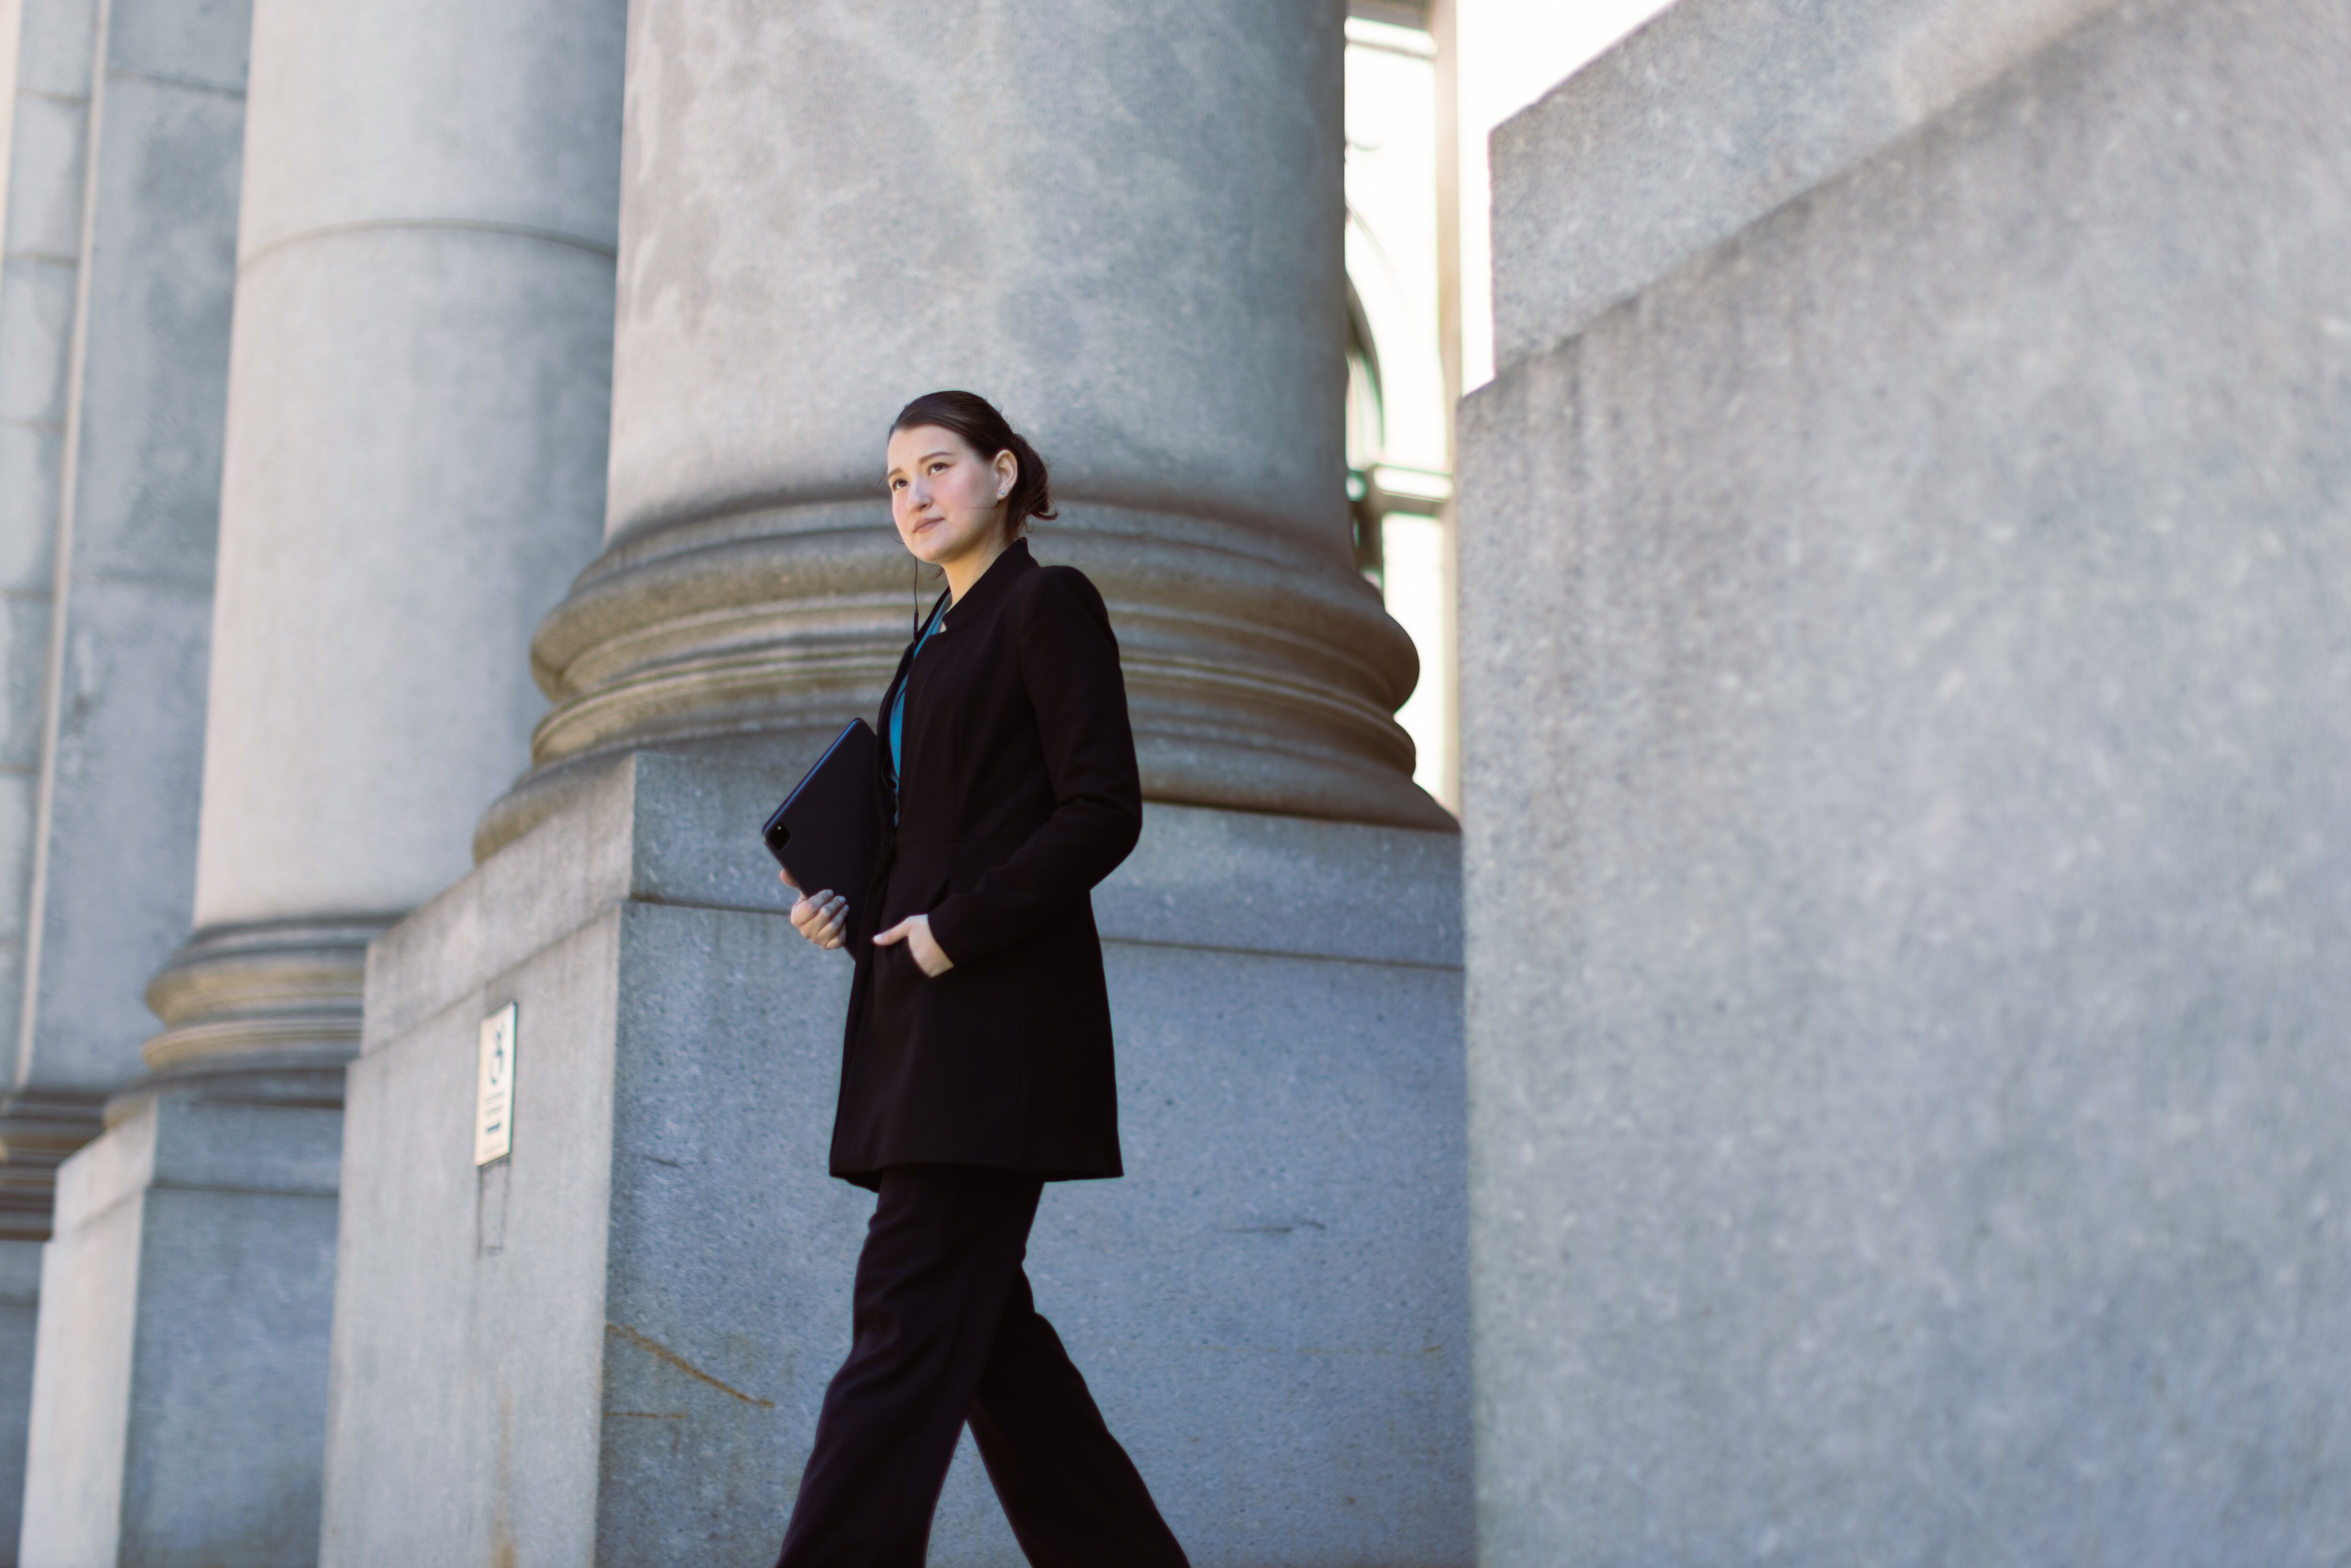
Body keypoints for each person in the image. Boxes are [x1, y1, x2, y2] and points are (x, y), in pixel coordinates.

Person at [772, 390, 1191, 1567]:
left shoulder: (1046, 605)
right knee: (992, 1352)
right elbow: (931, 831)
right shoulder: (929, 640)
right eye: (896, 481)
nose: (914, 496)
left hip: (993, 1025)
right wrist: (842, 903)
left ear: (1004, 474)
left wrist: (961, 929)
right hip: (919, 1018)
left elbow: (1102, 809)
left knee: (905, 1324)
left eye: (937, 468)